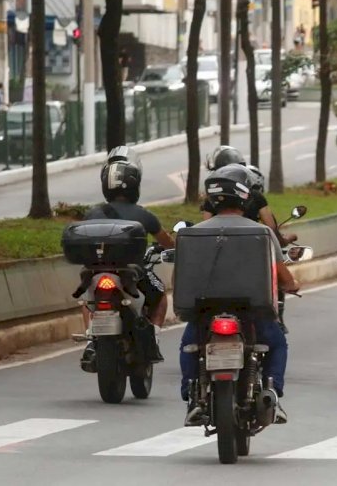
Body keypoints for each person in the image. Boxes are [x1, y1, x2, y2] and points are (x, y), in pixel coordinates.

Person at [179, 164, 300, 425]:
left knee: (189, 346)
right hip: (251, 313)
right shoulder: (263, 233)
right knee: (277, 343)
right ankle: (272, 393)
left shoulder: (192, 234)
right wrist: (292, 285)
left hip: (205, 312)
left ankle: (191, 395)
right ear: (245, 196)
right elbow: (281, 274)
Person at [79, 147, 175, 371]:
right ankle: (154, 338)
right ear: (135, 185)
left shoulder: (92, 214)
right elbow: (168, 242)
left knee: (87, 298)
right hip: (133, 275)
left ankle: (90, 338)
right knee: (160, 296)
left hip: (96, 273)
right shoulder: (144, 215)